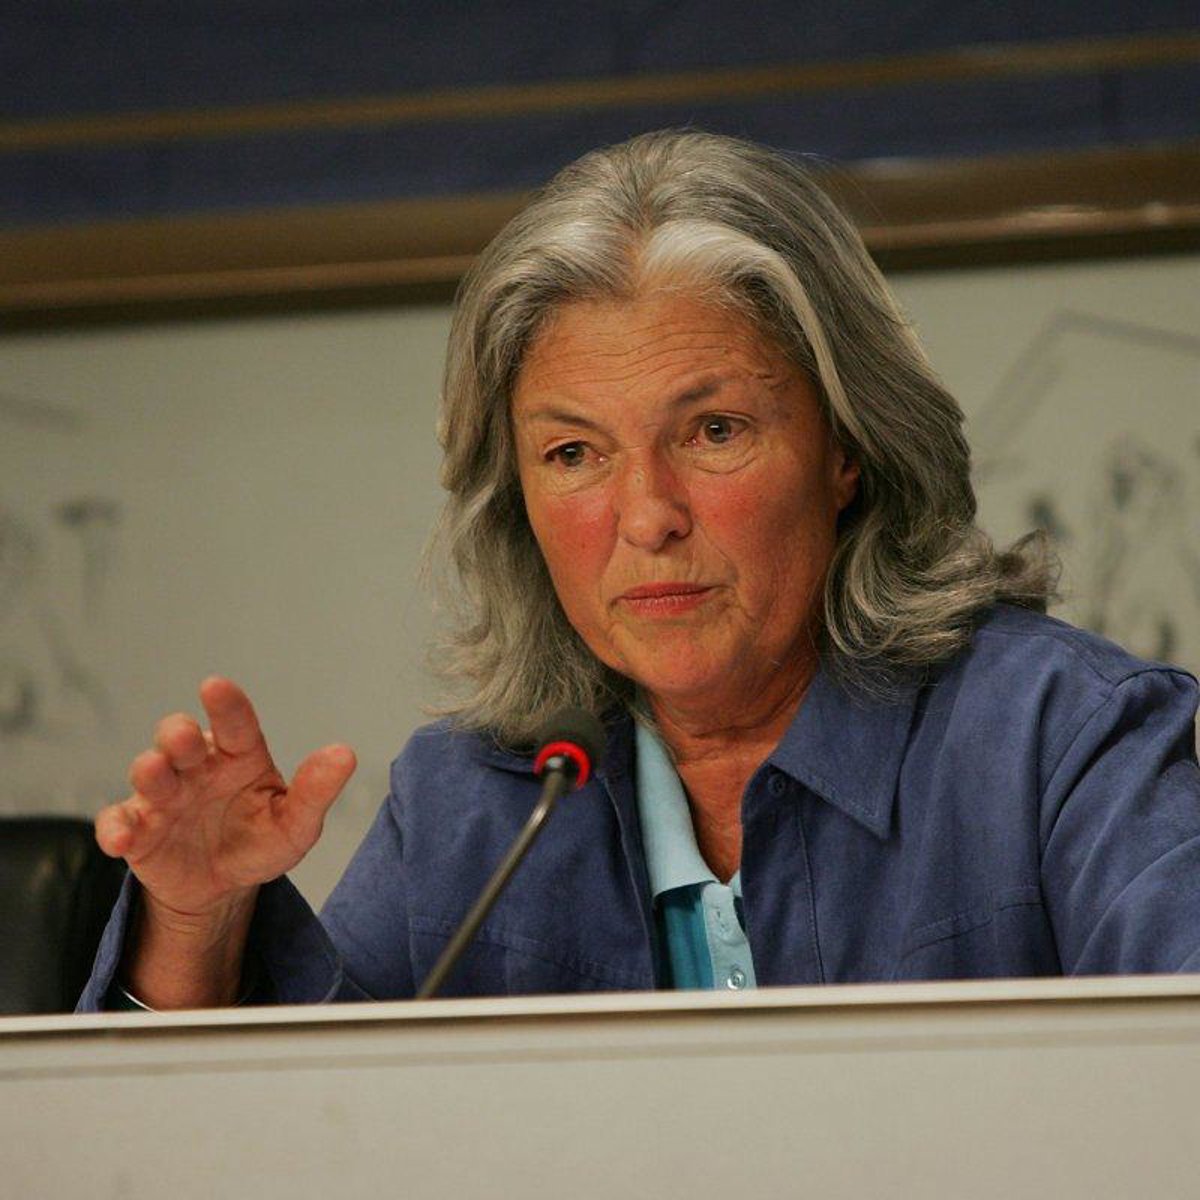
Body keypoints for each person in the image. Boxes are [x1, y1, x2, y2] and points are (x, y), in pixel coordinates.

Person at [79, 129, 1200, 1011]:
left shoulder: (1063, 743)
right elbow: (293, 1143)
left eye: (714, 431)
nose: (648, 516)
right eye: (574, 454)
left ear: (848, 449)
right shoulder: (479, 807)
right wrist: (199, 924)